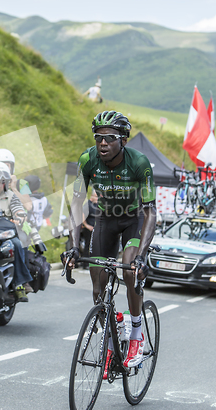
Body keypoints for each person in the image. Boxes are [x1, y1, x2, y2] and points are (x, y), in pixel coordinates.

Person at [61, 111, 156, 372]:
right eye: (98, 138)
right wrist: (73, 246)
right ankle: (114, 331)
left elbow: (150, 212)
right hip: (105, 220)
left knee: (128, 271)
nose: (102, 143)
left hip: (134, 220)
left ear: (123, 140)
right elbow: (77, 205)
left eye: (110, 138)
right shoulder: (87, 160)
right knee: (97, 290)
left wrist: (141, 256)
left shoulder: (139, 163)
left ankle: (137, 332)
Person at [0, 162, 33, 302]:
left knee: (16, 243)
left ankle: (20, 284)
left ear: (5, 183)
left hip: (3, 234)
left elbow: (19, 210)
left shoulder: (10, 196)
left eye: (0, 182)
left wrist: (19, 217)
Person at [80, 190, 98, 270]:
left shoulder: (96, 205)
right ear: (92, 196)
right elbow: (82, 215)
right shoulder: (87, 205)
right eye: (96, 197)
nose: (97, 198)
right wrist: (87, 226)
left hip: (95, 229)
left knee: (94, 246)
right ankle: (85, 264)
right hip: (89, 229)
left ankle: (92, 262)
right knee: (88, 246)